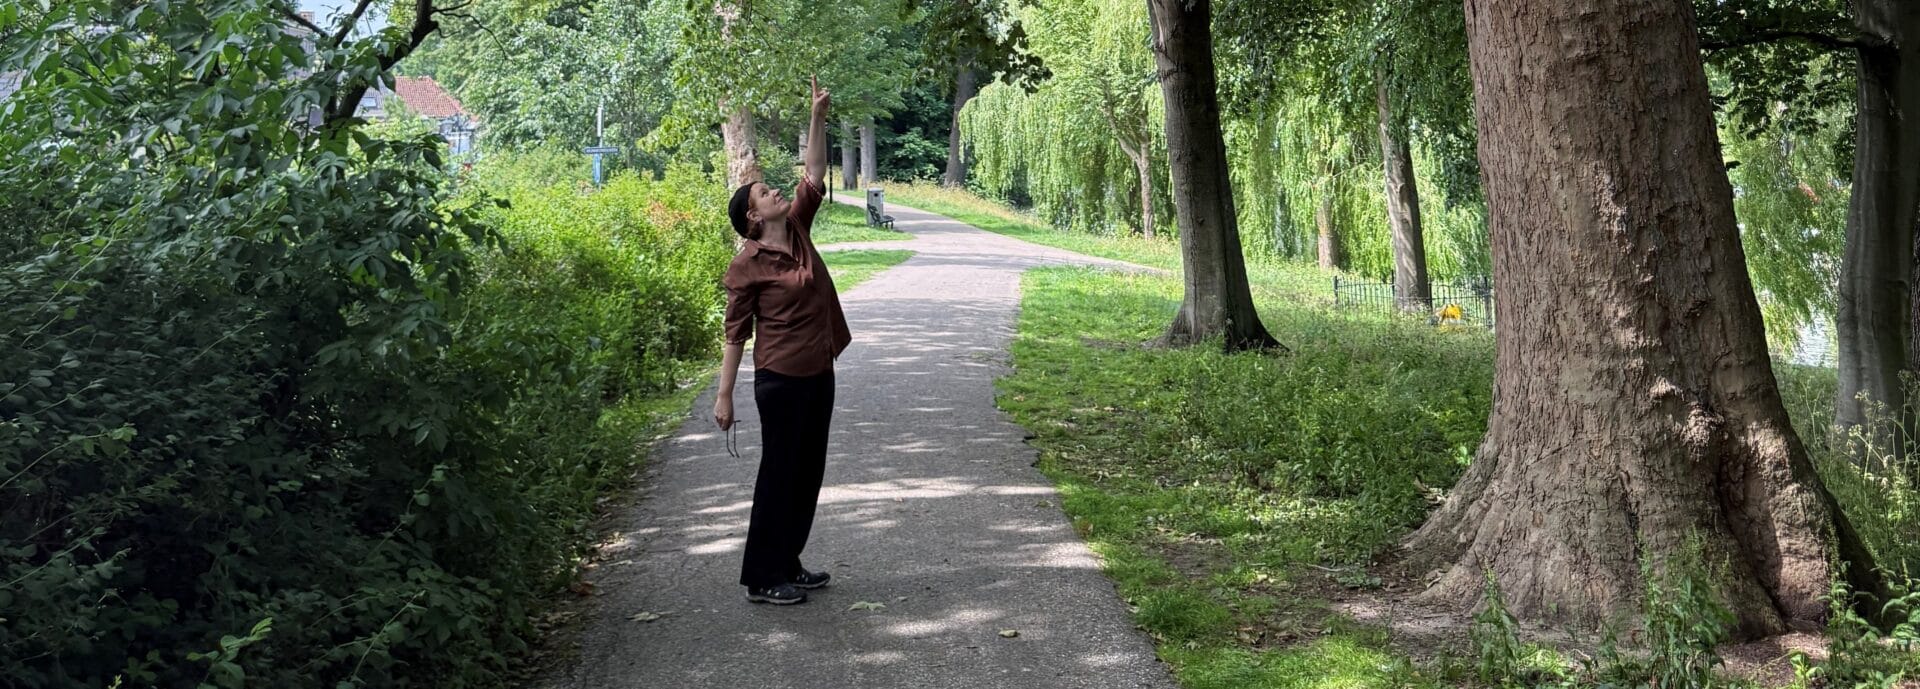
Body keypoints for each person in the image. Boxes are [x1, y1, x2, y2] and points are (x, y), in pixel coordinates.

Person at [712, 76, 852, 605]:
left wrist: (817, 115)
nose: (774, 191)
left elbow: (813, 173)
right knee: (778, 474)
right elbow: (735, 334)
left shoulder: (796, 227)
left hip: (818, 370)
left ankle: (788, 562)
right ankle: (761, 576)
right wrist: (725, 395)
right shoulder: (746, 266)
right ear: (752, 217)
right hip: (780, 380)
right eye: (763, 193)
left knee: (807, 472)